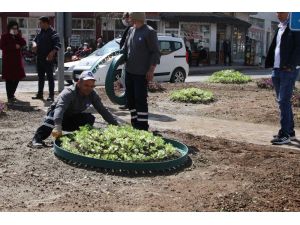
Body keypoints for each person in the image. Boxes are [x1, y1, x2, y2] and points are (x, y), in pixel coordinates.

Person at [31, 71, 119, 147]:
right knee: (52, 117)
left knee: (89, 119)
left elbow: (103, 110)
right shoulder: (69, 92)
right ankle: (37, 139)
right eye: (86, 85)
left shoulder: (92, 94)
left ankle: (78, 137)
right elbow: (59, 109)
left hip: (71, 118)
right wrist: (58, 126)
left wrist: (116, 125)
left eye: (92, 86)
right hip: (58, 117)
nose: (89, 88)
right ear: (78, 83)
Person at [265, 12, 300, 145]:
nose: (277, 14)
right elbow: (276, 47)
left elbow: (298, 48)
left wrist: (291, 65)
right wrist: (271, 63)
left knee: (284, 100)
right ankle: (290, 132)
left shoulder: (295, 27)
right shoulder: (280, 27)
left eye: (280, 11)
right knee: (282, 102)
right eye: (277, 11)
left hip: (288, 69)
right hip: (277, 69)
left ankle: (284, 134)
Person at [123, 12, 160, 131]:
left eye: (130, 17)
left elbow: (155, 52)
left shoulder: (149, 32)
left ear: (136, 18)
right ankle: (134, 123)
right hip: (129, 71)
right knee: (130, 99)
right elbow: (125, 49)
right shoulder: (130, 30)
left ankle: (143, 126)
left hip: (141, 73)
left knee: (140, 100)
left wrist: (151, 70)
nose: (128, 19)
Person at [32, 16, 61, 102]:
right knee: (40, 77)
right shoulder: (40, 32)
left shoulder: (53, 32)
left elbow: (58, 44)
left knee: (50, 77)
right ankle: (40, 94)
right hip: (39, 58)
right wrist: (34, 44)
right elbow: (34, 40)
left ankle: (51, 96)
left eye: (40, 23)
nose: (39, 24)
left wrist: (52, 52)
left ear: (45, 23)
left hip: (48, 59)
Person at [0, 20, 26, 103]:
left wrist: (18, 35)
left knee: (18, 77)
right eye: (13, 28)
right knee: (9, 79)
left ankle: (12, 94)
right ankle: (10, 96)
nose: (14, 29)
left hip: (17, 61)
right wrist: (14, 46)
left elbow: (23, 42)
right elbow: (2, 47)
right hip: (8, 61)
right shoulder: (4, 36)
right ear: (9, 28)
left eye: (16, 28)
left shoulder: (17, 36)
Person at [119, 12, 133, 110]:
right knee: (126, 81)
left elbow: (126, 44)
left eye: (124, 18)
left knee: (127, 81)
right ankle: (129, 102)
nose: (124, 20)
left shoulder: (132, 28)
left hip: (129, 60)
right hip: (127, 59)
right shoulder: (130, 28)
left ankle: (129, 103)